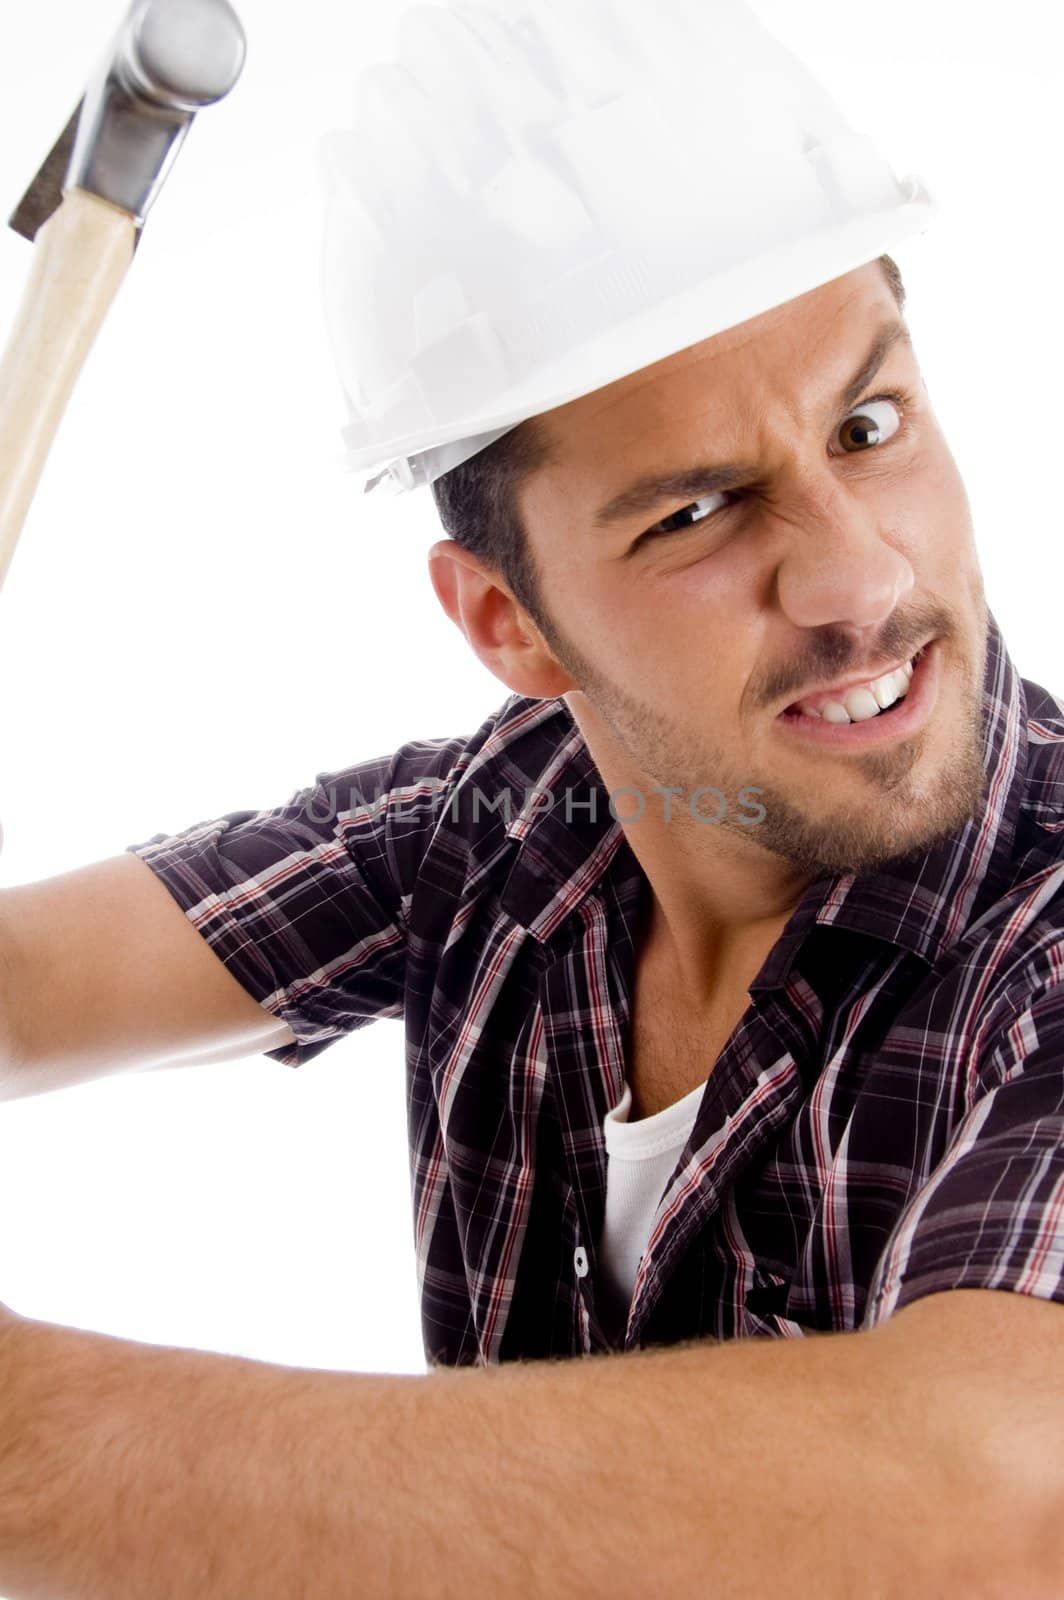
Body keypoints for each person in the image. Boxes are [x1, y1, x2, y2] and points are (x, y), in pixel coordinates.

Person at [1, 4, 1062, 1595]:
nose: (863, 576)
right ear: (504, 618)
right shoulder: (504, 835)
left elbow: (996, 1500)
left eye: (870, 425)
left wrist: (35, 1450)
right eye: (698, 513)